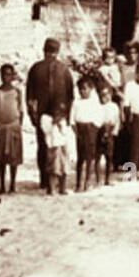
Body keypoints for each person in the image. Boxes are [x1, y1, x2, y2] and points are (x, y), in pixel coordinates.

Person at [26, 38, 74, 191]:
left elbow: (70, 95)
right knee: (52, 146)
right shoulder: (42, 69)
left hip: (52, 114)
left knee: (50, 146)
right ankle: (50, 178)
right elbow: (30, 94)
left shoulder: (61, 70)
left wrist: (32, 115)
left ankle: (48, 179)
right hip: (50, 114)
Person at [0, 64, 24, 194]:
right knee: (1, 159)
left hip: (13, 127)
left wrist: (19, 127)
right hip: (0, 128)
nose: (6, 77)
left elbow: (21, 111)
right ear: (0, 76)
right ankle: (2, 186)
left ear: (13, 76)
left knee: (14, 159)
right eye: (4, 74)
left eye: (9, 74)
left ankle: (13, 185)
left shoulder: (17, 92)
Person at [71, 75, 102, 192]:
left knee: (90, 157)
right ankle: (78, 183)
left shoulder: (94, 102)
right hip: (80, 129)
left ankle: (87, 182)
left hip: (91, 130)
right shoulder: (76, 102)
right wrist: (76, 132)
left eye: (85, 88)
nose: (82, 91)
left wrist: (94, 129)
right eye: (80, 89)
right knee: (80, 157)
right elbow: (72, 120)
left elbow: (99, 118)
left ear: (91, 89)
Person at [41, 114, 75, 195]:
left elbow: (66, 131)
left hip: (63, 144)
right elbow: (46, 130)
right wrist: (53, 123)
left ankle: (62, 188)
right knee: (53, 167)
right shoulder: (45, 118)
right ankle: (51, 188)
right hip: (53, 145)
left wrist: (60, 125)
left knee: (64, 167)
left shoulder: (63, 119)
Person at [96, 82, 120, 185]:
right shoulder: (97, 106)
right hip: (99, 131)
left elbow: (117, 120)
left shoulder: (114, 106)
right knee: (97, 156)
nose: (104, 97)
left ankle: (107, 179)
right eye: (102, 95)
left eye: (107, 95)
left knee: (109, 156)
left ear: (110, 95)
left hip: (110, 131)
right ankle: (97, 179)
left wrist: (114, 132)